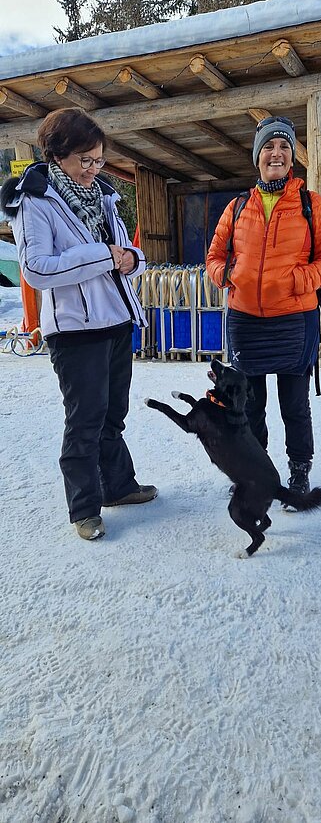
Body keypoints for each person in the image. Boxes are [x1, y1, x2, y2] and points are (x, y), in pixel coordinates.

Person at [0, 107, 157, 540]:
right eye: (84, 160)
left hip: (116, 322)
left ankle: (118, 487)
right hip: (74, 332)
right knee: (85, 420)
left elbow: (126, 252)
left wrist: (131, 259)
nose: (93, 168)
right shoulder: (35, 201)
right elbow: (37, 271)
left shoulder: (104, 196)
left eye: (98, 159)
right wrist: (104, 256)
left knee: (114, 416)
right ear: (57, 156)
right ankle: (84, 509)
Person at [206, 116, 321, 505]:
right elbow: (214, 257)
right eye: (269, 146)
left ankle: (299, 472)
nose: (276, 153)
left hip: (293, 321)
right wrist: (226, 274)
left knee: (294, 405)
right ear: (257, 156)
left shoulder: (309, 204)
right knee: (249, 406)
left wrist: (298, 280)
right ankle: (255, 472)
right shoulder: (237, 207)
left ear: (292, 158)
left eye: (284, 147)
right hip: (245, 321)